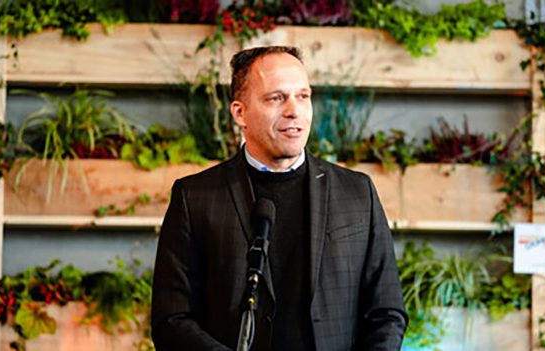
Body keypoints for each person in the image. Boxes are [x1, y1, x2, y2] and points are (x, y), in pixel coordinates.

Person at [151, 46, 408, 351]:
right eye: (276, 98)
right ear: (239, 113)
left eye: (303, 96)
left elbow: (387, 312)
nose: (293, 110)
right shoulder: (195, 197)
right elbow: (172, 319)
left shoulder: (357, 192)